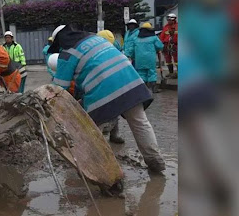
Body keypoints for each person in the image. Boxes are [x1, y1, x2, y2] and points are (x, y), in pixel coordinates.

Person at [48, 24, 165, 172]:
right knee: (140, 122)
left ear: (60, 41)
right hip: (131, 82)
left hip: (103, 92)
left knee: (91, 132)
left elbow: (59, 89)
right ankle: (155, 161)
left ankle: (103, 170)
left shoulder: (67, 53)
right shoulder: (96, 39)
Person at [95, 29, 125, 143]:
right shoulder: (114, 49)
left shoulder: (112, 51)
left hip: (109, 85)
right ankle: (110, 135)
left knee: (109, 111)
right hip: (110, 85)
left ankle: (110, 135)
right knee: (112, 110)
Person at [130, 22, 164, 93]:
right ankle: (154, 88)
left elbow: (132, 50)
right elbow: (160, 46)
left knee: (141, 73)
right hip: (150, 59)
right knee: (152, 72)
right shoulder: (154, 38)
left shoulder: (136, 39)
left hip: (139, 60)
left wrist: (131, 57)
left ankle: (143, 90)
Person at [159, 13, 178, 78]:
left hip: (176, 45)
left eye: (170, 20)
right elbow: (162, 36)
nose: (169, 21)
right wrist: (161, 45)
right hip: (166, 45)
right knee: (168, 59)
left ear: (174, 19)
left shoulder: (177, 26)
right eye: (168, 20)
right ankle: (171, 73)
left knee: (177, 60)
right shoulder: (166, 27)